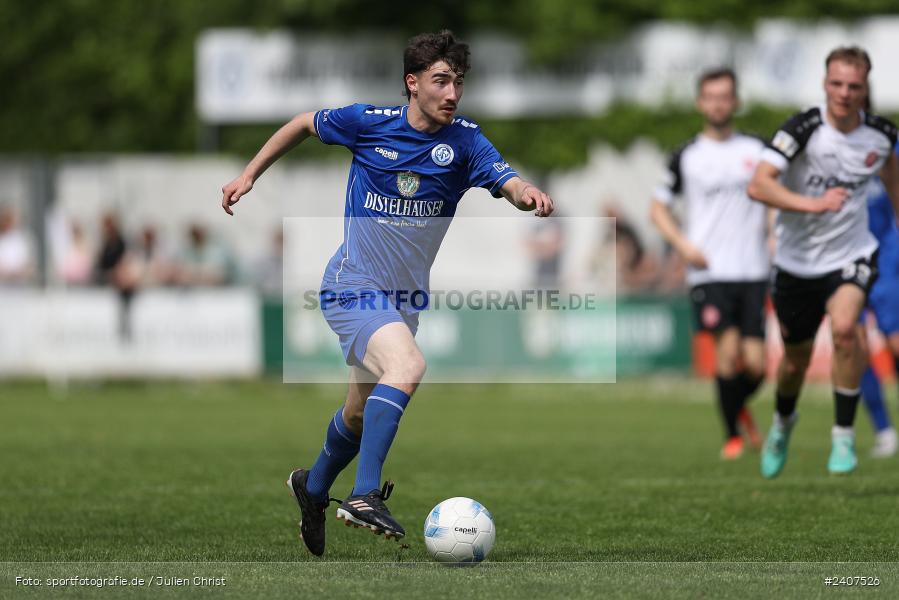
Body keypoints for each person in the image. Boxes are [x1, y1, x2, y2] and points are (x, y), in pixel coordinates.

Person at [220, 30, 553, 556]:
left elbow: (505, 180)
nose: (452, 93)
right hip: (351, 285)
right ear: (412, 82)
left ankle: (311, 489)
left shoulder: (465, 142)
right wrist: (248, 174)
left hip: (403, 302)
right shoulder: (367, 125)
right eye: (441, 81)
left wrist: (525, 193)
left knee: (356, 413)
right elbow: (303, 123)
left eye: (458, 83)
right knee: (408, 367)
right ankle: (365, 494)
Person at [748, 46, 899, 477]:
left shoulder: (882, 135)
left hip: (851, 254)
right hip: (797, 263)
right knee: (794, 361)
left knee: (848, 330)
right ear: (824, 83)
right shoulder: (803, 127)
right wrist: (811, 204)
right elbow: (758, 186)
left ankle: (844, 435)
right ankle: (782, 423)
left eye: (854, 86)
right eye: (837, 84)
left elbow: (895, 187)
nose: (845, 93)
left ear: (865, 87)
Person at [650, 68, 768, 460]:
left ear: (735, 101)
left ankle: (737, 407)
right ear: (701, 103)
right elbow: (657, 207)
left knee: (756, 366)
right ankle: (732, 435)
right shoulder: (687, 155)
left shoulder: (756, 150)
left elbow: (774, 198)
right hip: (710, 271)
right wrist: (683, 245)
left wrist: (774, 232)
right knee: (727, 353)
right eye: (711, 96)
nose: (718, 103)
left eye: (725, 96)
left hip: (753, 269)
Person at [859, 146, 899, 458]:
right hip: (843, 261)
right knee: (854, 347)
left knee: (896, 342)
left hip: (887, 259)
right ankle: (884, 431)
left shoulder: (887, 144)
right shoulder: (823, 141)